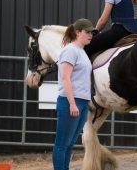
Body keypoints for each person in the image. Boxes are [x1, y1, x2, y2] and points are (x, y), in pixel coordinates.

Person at [52, 18, 95, 170]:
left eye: (92, 32)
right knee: (62, 143)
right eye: (87, 32)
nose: (90, 35)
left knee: (69, 143)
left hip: (82, 102)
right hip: (71, 101)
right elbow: (65, 78)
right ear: (78, 32)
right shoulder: (70, 50)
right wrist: (72, 103)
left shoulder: (81, 51)